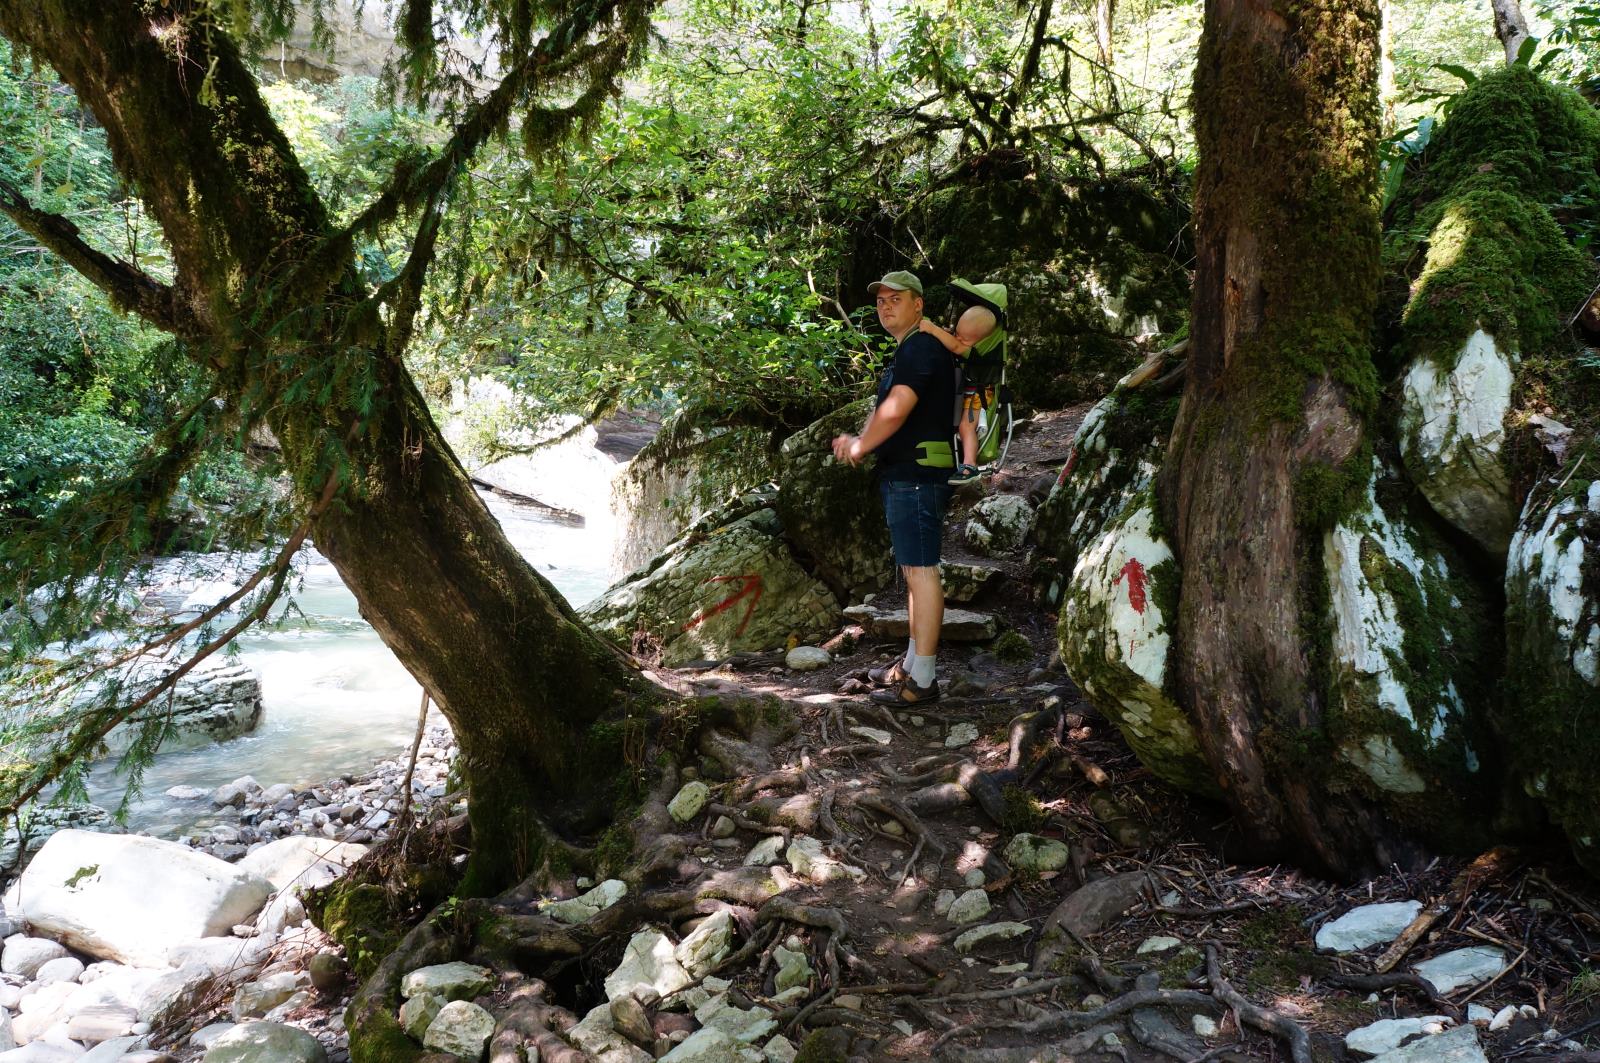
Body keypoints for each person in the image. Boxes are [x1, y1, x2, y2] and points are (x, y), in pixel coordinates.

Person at [831, 270, 955, 706]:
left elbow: (899, 406)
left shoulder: (921, 346)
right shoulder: (909, 349)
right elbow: (889, 405)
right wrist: (863, 444)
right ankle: (910, 663)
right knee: (912, 571)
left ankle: (923, 679)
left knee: (922, 571)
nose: (885, 306)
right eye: (881, 300)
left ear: (918, 304)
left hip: (917, 475)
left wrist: (862, 443)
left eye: (895, 299)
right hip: (907, 473)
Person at [917, 305, 998, 485]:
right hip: (969, 394)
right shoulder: (970, 343)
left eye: (964, 338)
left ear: (980, 341)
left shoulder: (976, 352)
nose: (958, 339)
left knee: (966, 427)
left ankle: (970, 465)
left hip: (979, 396)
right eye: (957, 333)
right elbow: (955, 340)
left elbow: (955, 346)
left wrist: (932, 329)